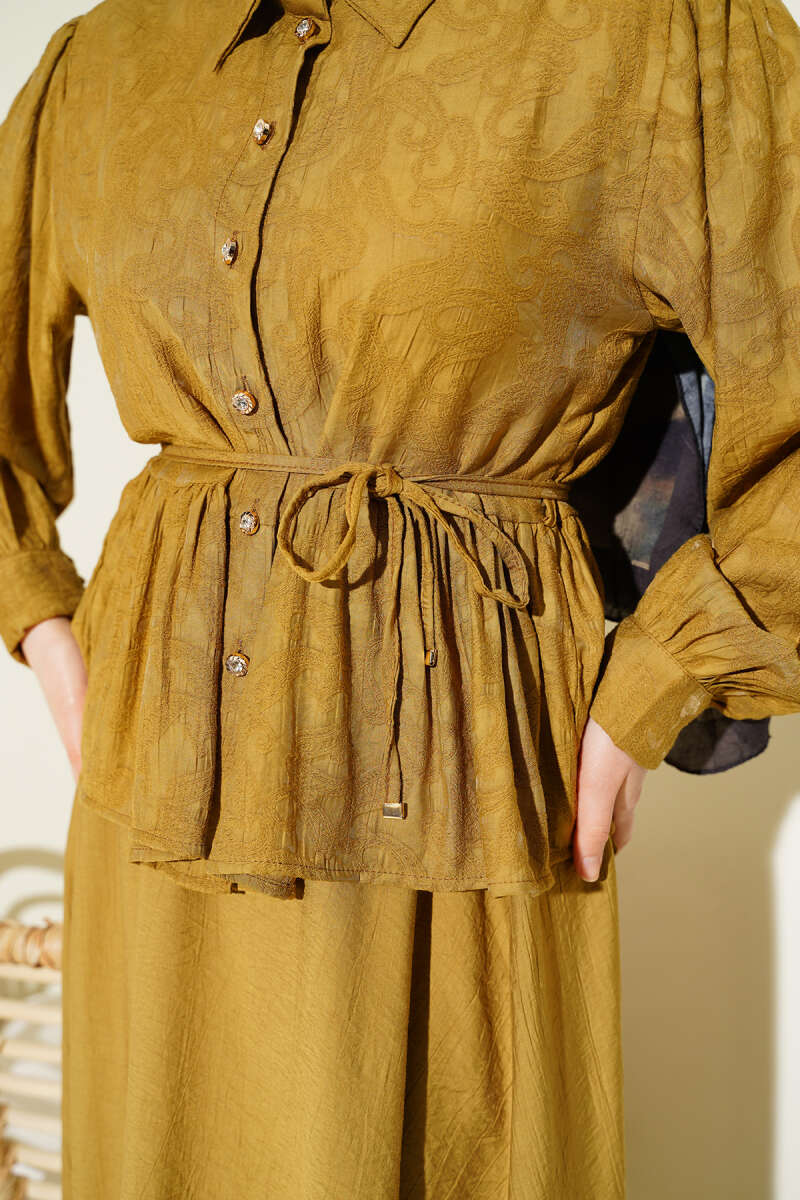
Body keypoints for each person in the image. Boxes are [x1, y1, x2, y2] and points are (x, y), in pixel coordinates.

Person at [2, 0, 800, 1195]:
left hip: (460, 802)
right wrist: (45, 626)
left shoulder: (648, 41)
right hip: (151, 807)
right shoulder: (108, 61)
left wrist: (662, 678)